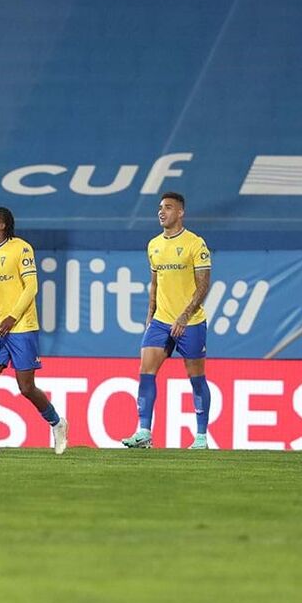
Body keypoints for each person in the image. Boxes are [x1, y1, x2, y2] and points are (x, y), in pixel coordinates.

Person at [122, 192, 213, 450]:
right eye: (160, 208)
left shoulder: (195, 244)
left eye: (169, 208)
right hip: (161, 321)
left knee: (196, 377)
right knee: (145, 372)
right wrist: (150, 315)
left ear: (181, 212)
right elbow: (155, 283)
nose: (162, 212)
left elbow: (203, 285)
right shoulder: (154, 245)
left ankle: (201, 436)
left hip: (191, 322)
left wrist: (184, 316)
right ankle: (143, 432)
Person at [0, 207, 67, 455]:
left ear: (2, 225)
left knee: (26, 387)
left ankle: (57, 423)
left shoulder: (21, 248)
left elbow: (31, 287)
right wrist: (0, 320)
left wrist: (12, 317)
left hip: (21, 326)